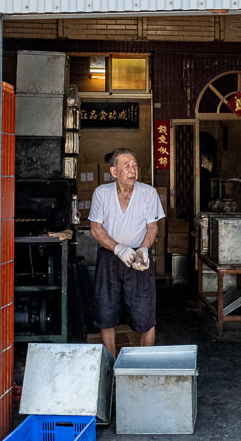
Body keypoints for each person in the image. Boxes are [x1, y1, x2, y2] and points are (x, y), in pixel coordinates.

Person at [88, 147, 164, 356]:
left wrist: (144, 249)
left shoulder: (148, 193)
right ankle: (111, 364)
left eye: (135, 166)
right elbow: (95, 228)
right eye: (127, 166)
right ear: (114, 172)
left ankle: (145, 364)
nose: (133, 171)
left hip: (139, 259)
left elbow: (152, 227)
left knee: (145, 314)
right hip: (109, 259)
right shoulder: (101, 193)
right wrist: (118, 248)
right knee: (106, 312)